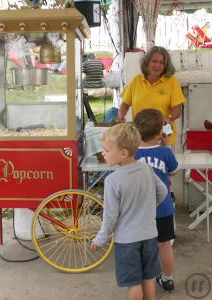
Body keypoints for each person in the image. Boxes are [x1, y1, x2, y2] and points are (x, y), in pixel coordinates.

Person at [91, 123, 168, 300]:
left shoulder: (112, 180)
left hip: (127, 241)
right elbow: (163, 191)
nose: (103, 153)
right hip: (149, 235)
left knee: (134, 283)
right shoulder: (147, 169)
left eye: (107, 150)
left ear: (123, 153)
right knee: (148, 279)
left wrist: (100, 238)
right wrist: (148, 207)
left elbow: (110, 216)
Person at [134, 108, 179, 293]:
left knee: (140, 246)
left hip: (139, 209)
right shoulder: (164, 152)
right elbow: (173, 171)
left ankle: (142, 281)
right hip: (163, 208)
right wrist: (166, 145)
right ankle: (167, 279)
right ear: (161, 131)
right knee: (165, 245)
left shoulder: (132, 153)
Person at [117, 46, 186, 145]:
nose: (158, 65)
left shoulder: (172, 81)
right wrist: (120, 116)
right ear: (147, 62)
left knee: (163, 160)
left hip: (162, 136)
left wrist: (169, 119)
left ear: (165, 66)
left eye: (162, 63)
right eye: (154, 61)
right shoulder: (136, 80)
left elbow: (177, 111)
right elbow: (125, 104)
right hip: (139, 136)